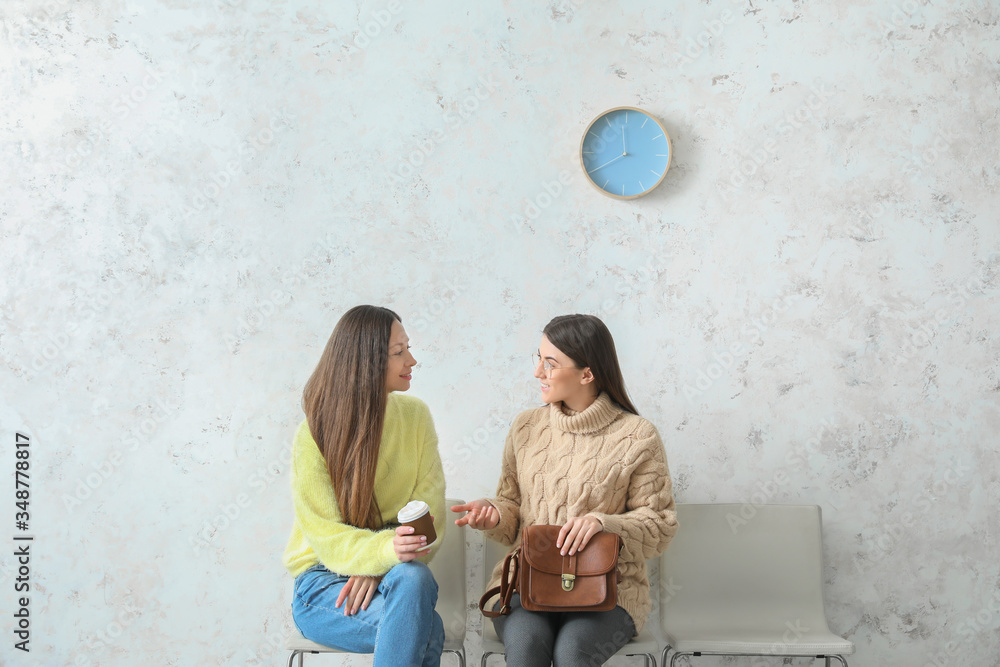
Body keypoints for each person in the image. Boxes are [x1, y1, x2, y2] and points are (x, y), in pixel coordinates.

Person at [453, 314, 678, 666]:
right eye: (538, 358)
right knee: (528, 647)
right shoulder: (526, 427)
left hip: (611, 591)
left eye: (550, 363)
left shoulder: (639, 436)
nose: (537, 372)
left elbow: (660, 527)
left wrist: (606, 524)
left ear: (586, 374)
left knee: (573, 652)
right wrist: (494, 513)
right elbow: (512, 507)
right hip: (523, 583)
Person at [283, 305, 446, 666]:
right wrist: (382, 554)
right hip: (323, 587)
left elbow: (428, 517)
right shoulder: (313, 435)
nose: (412, 360)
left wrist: (378, 564)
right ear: (367, 360)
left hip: (396, 579)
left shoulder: (416, 418)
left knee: (413, 577)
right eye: (399, 352)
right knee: (428, 627)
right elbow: (326, 535)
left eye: (408, 348)